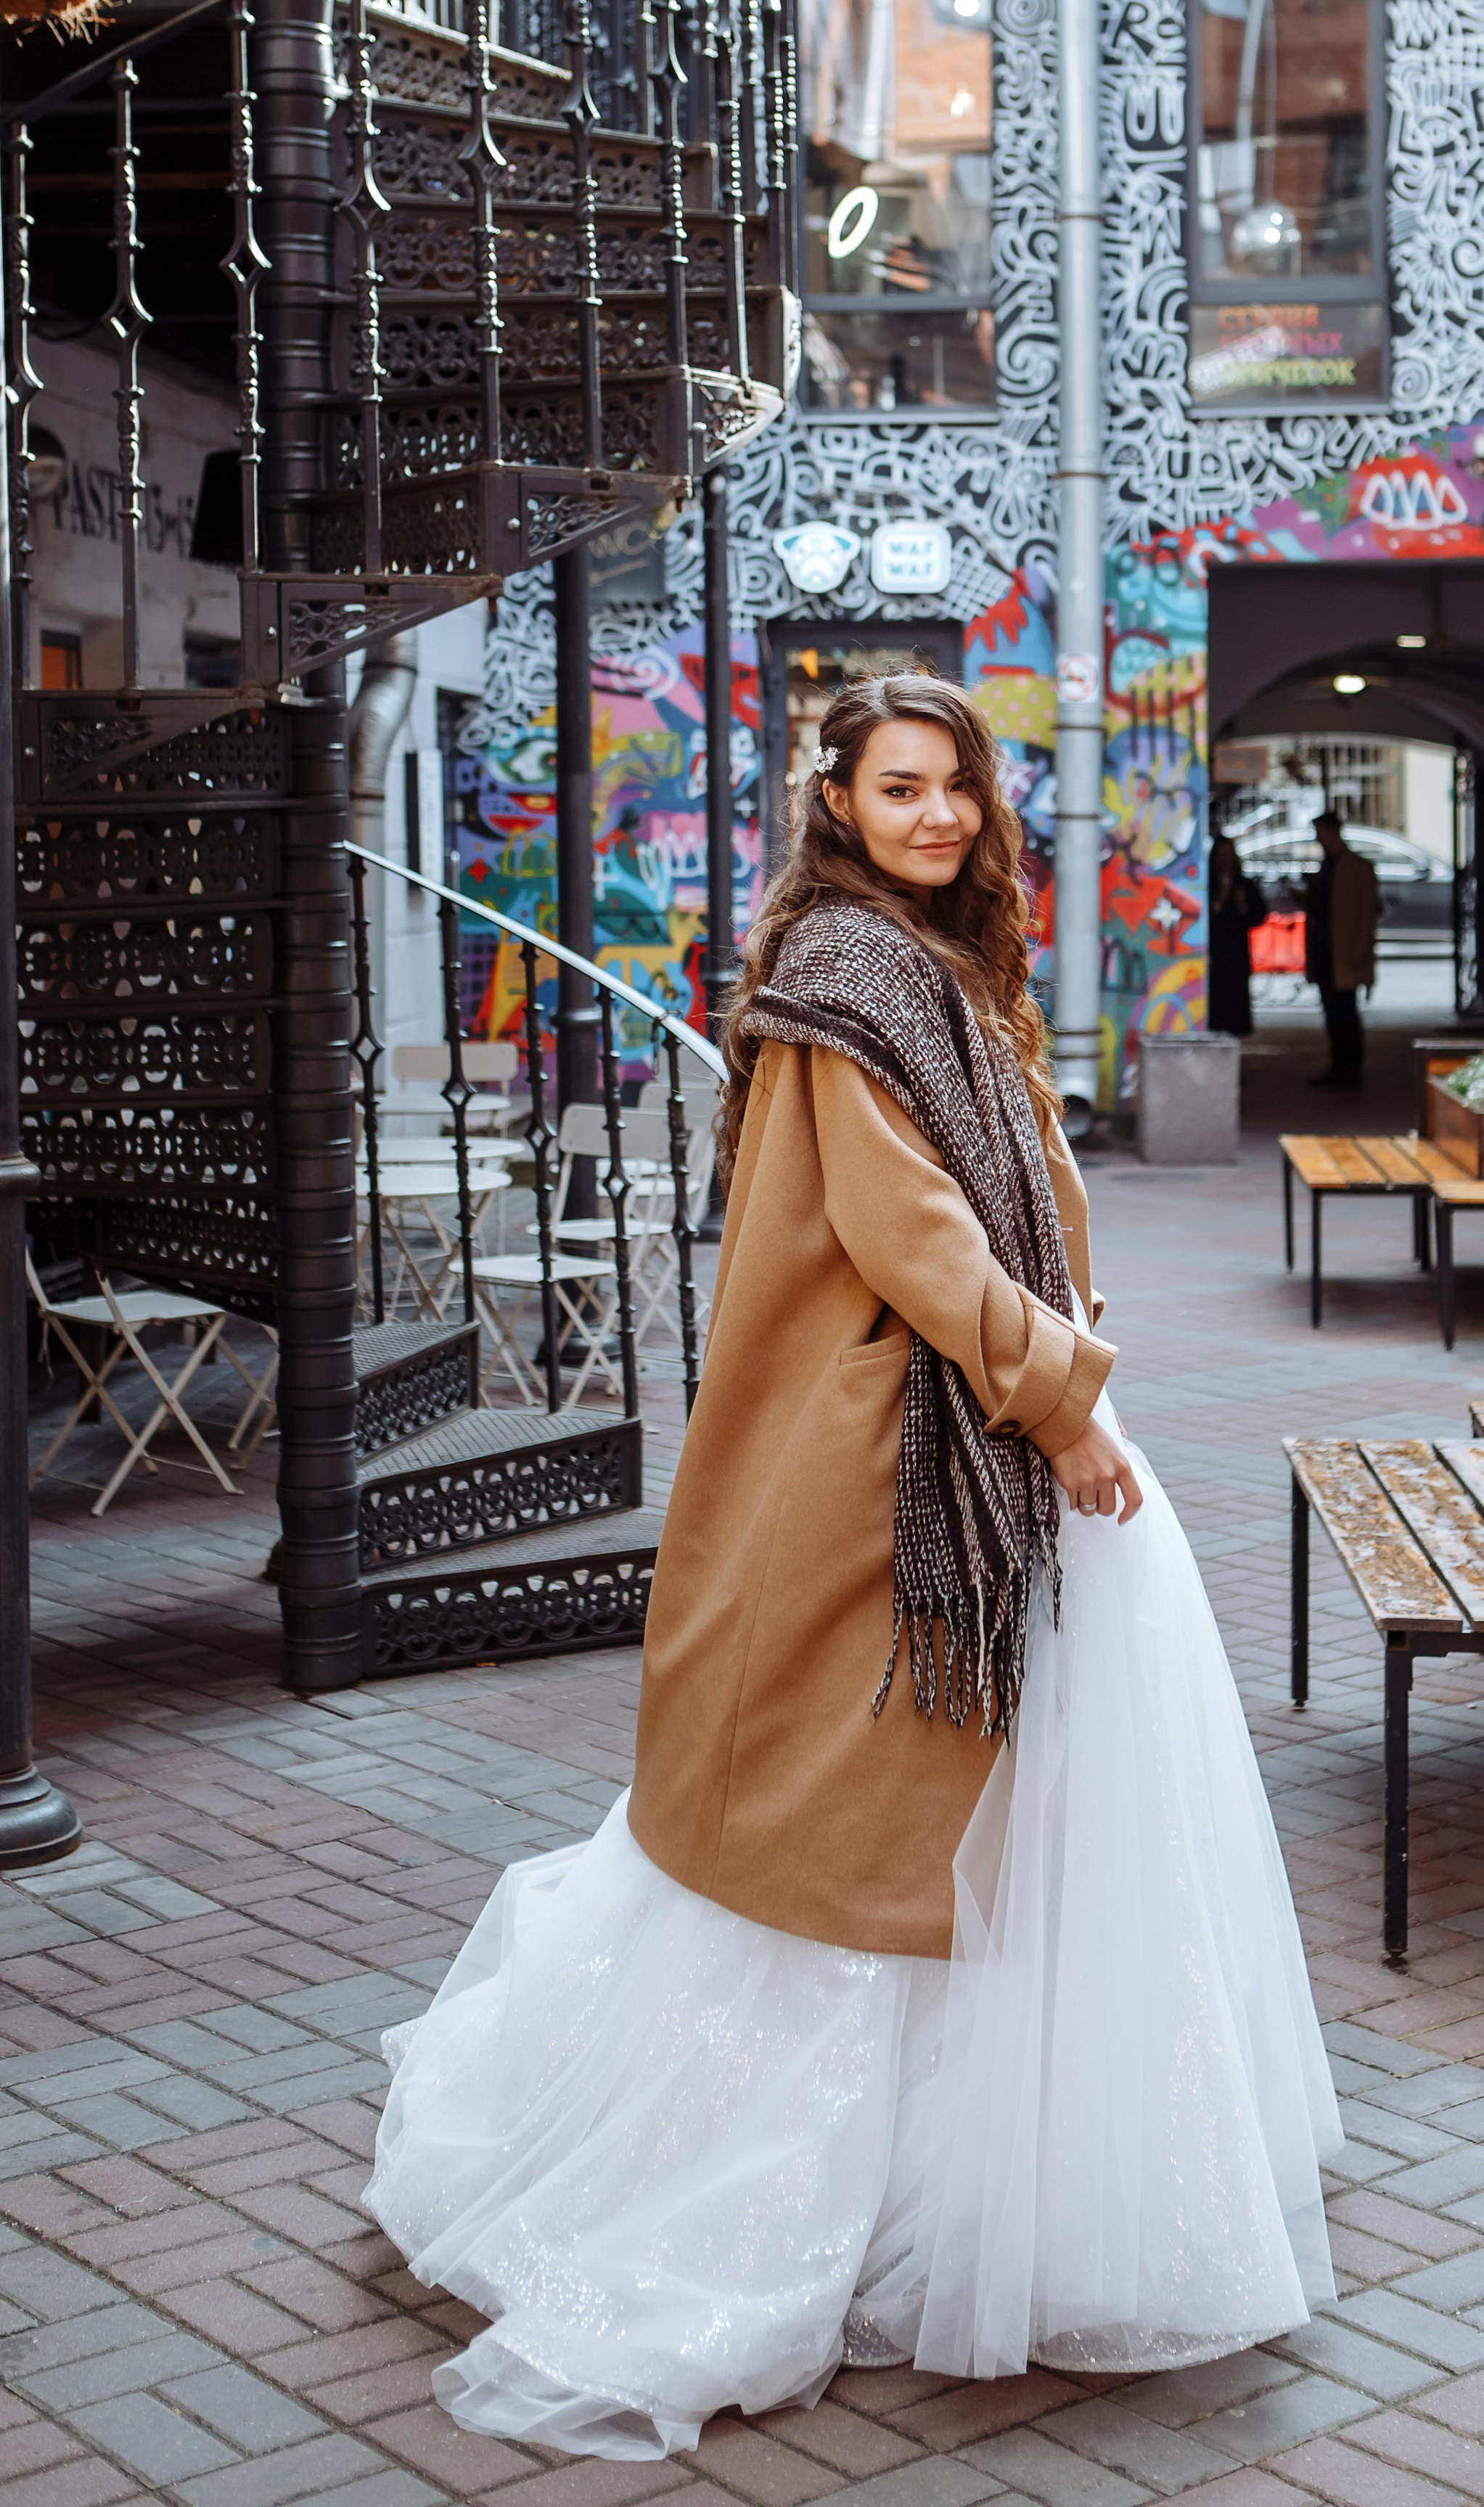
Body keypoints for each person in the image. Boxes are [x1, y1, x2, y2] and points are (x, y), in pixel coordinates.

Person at [364, 676, 1341, 2460]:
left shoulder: (927, 962)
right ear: (836, 802)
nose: (937, 815)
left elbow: (991, 1194)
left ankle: (955, 2176)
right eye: (900, 787)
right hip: (900, 1443)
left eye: (956, 786)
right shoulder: (850, 976)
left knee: (974, 1819)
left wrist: (1049, 1360)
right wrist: (1055, 1398)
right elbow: (909, 1233)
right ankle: (832, 2191)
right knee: (873, 1810)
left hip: (959, 1414)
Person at [1299, 809, 1379, 1089]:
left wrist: (1360, 947)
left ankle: (1350, 1069)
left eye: (1320, 832)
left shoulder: (1358, 868)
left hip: (1345, 953)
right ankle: (1338, 1067)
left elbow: (1367, 912)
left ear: (1332, 832)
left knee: (1345, 1012)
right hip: (1325, 951)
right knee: (1332, 1012)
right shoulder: (1327, 866)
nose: (1318, 838)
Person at [1208, 833, 1269, 1036]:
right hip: (1214, 954)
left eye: (1228, 854)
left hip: (1237, 953)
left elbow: (1258, 916)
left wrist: (1242, 904)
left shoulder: (1244, 884)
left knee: (1235, 999)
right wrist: (1219, 900)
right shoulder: (1207, 884)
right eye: (1221, 854)